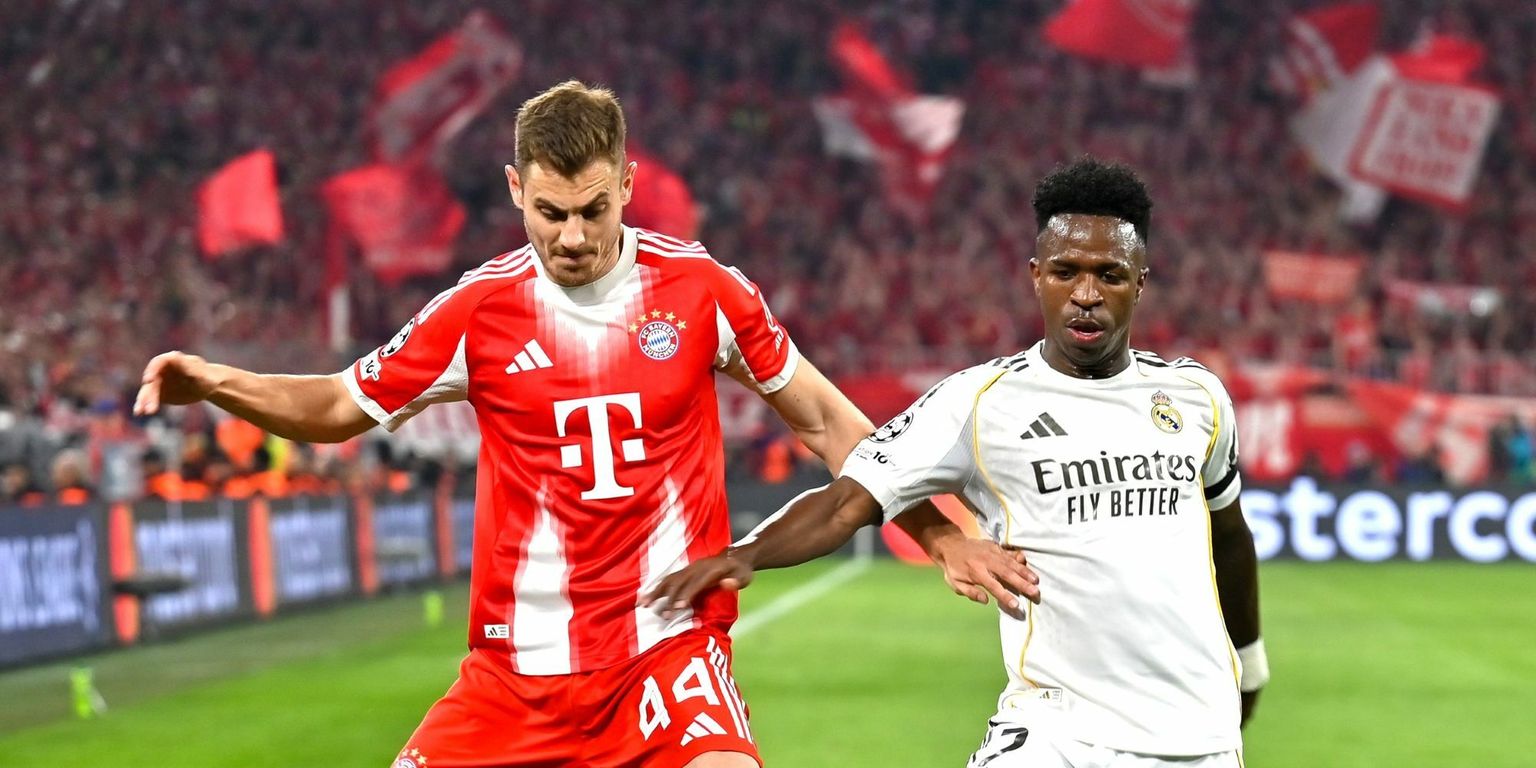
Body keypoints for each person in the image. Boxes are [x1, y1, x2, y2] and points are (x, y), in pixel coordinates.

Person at [133, 80, 1036, 768]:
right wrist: (218, 382)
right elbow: (336, 406)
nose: (571, 236)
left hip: (665, 655)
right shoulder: (477, 312)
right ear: (515, 190)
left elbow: (830, 423)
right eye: (551, 212)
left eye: (594, 210)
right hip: (512, 680)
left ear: (628, 185)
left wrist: (937, 533)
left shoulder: (704, 292)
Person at [647, 158, 1267, 768]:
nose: (1086, 295)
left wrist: (1251, 659)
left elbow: (1229, 535)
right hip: (1055, 734)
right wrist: (746, 555)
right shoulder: (980, 401)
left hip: (1197, 739)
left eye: (1110, 275)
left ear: (1140, 283)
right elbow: (848, 501)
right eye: (1065, 272)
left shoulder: (1197, 398)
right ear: (1036, 276)